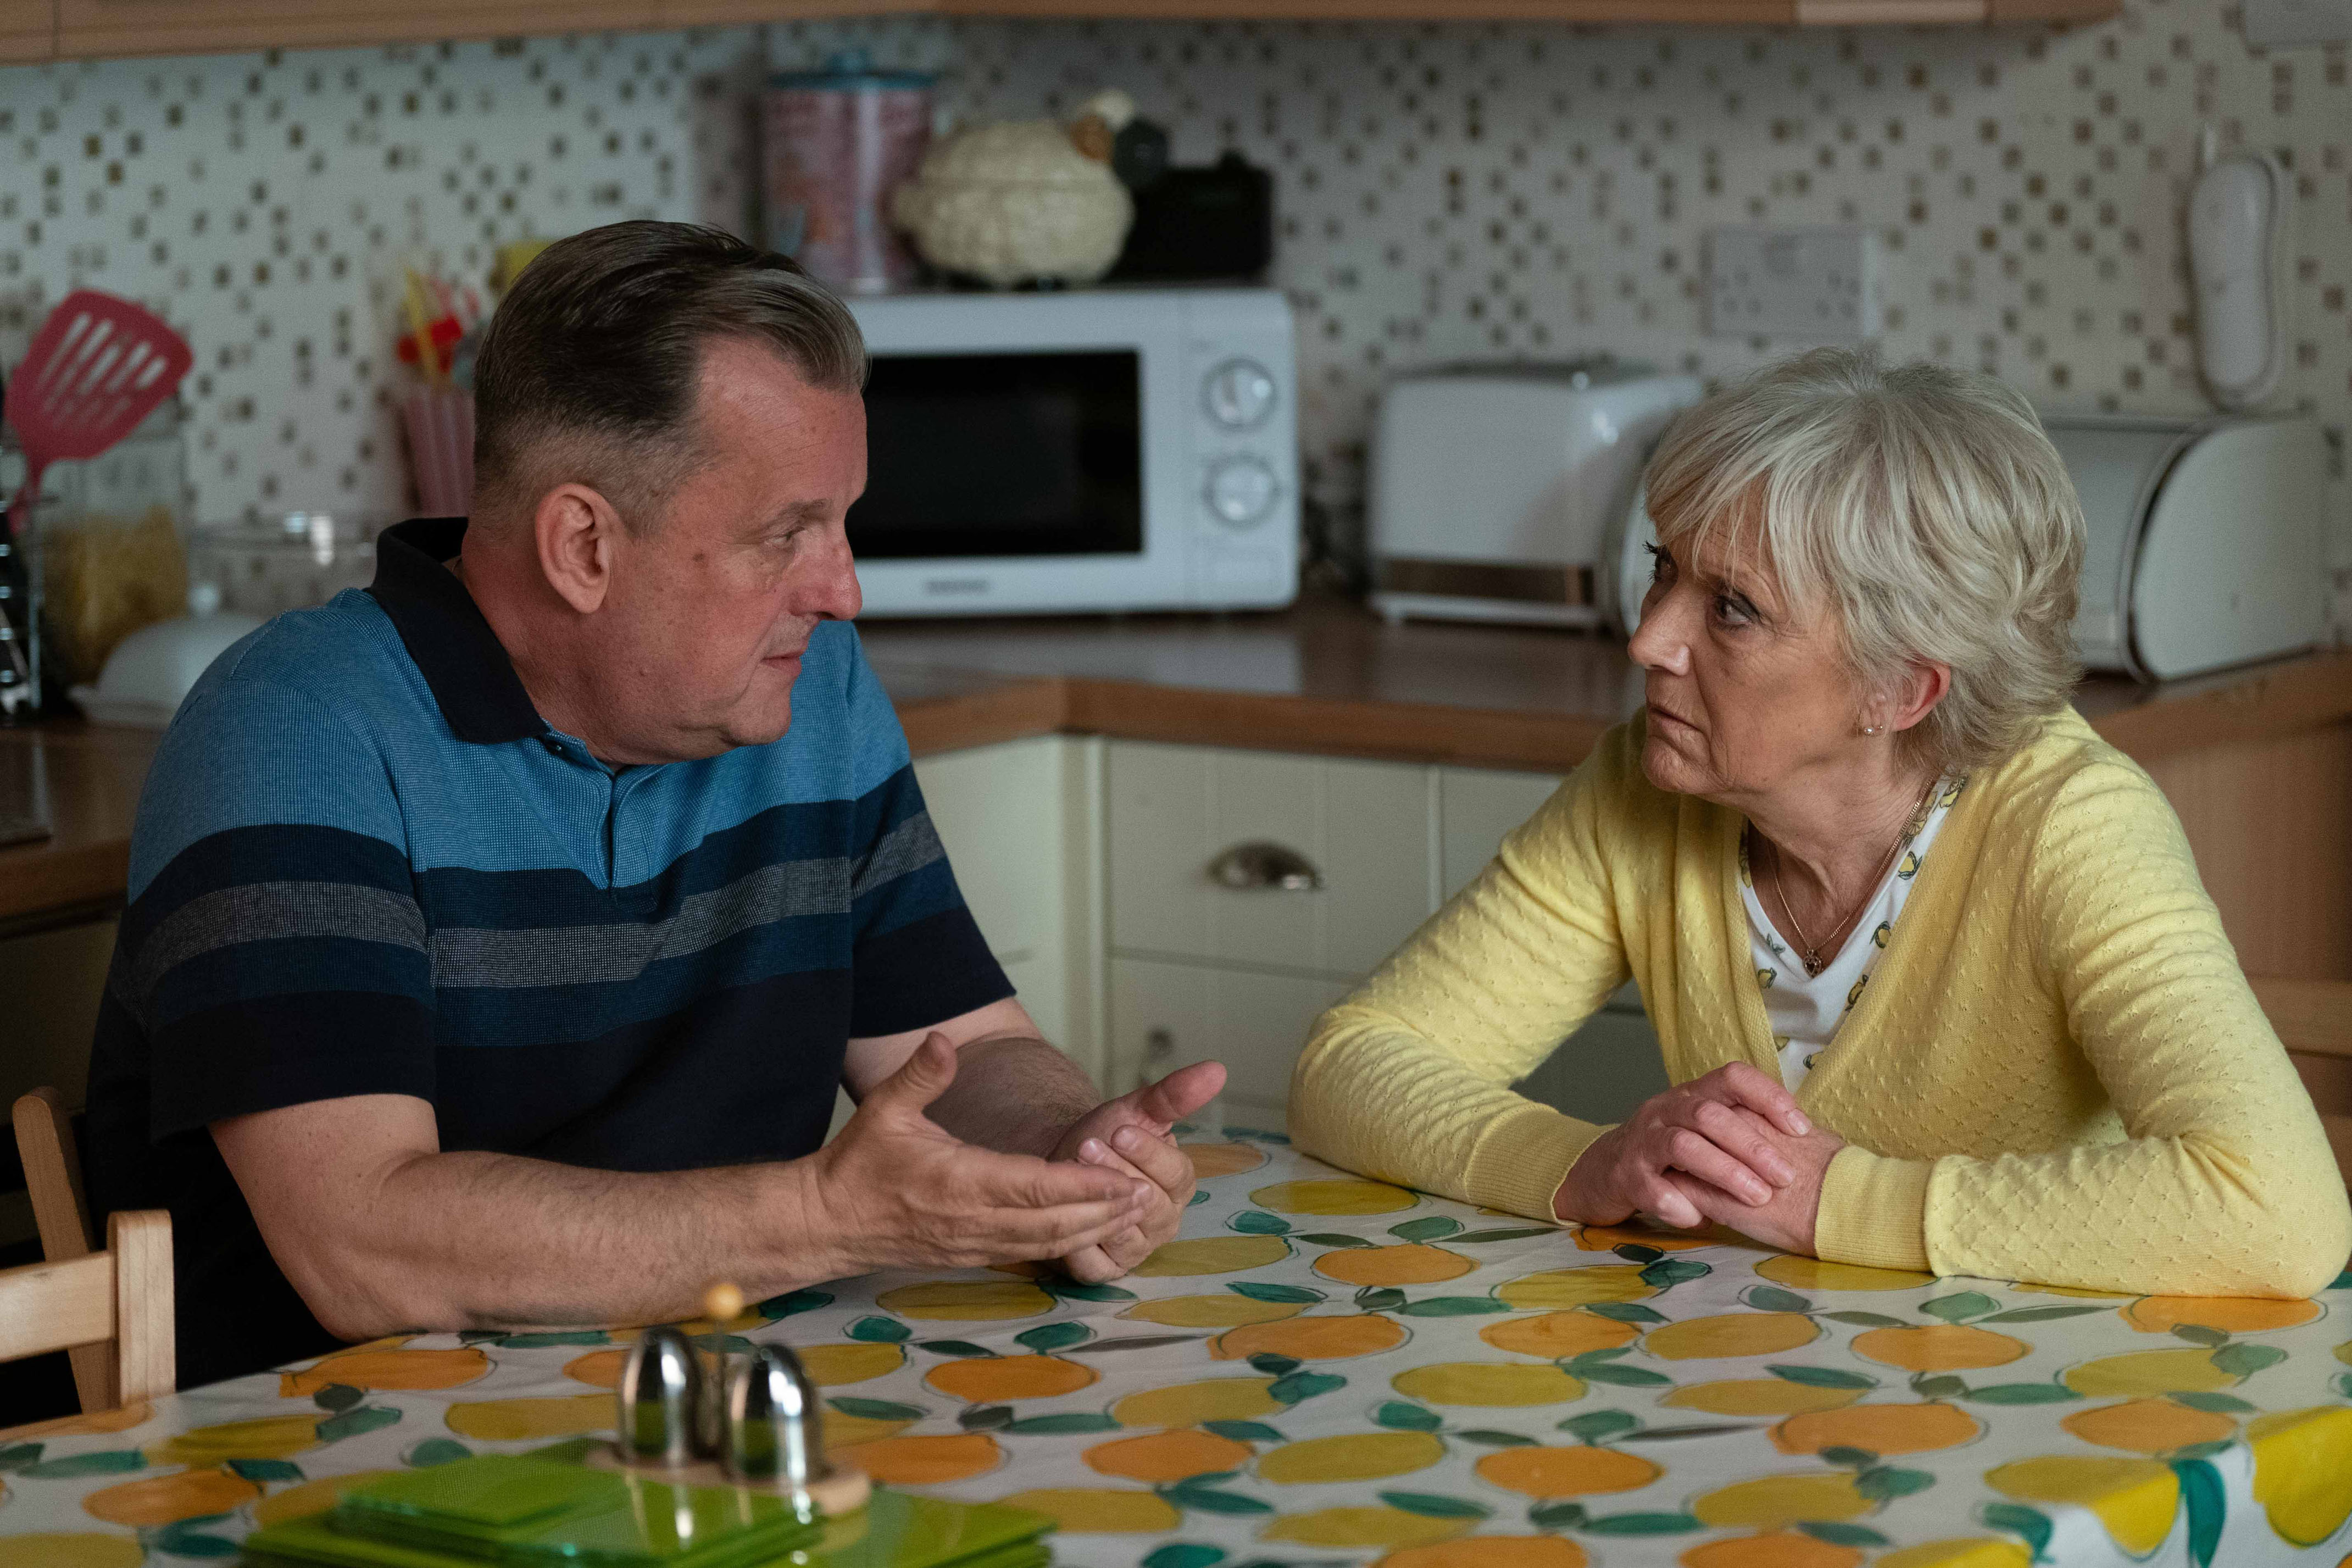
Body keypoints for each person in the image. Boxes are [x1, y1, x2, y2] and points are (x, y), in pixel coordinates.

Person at [84, 221, 1224, 1388]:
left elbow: (967, 1051)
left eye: (841, 521)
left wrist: (1067, 1152)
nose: (843, 589)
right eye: (786, 533)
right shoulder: (294, 729)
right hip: (320, 1475)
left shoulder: (806, 692)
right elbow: (363, 1247)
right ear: (583, 544)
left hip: (697, 1418)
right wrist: (825, 1215)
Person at [1291, 349, 2350, 1298]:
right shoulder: (1643, 787)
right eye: (1664, 570)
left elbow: (2280, 1211)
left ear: (1899, 691)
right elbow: (1352, 1062)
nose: (1650, 641)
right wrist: (1583, 1165)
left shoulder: (2069, 823)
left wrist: (1833, 1202)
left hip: (2041, 1429)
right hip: (1757, 1396)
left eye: (1731, 608)